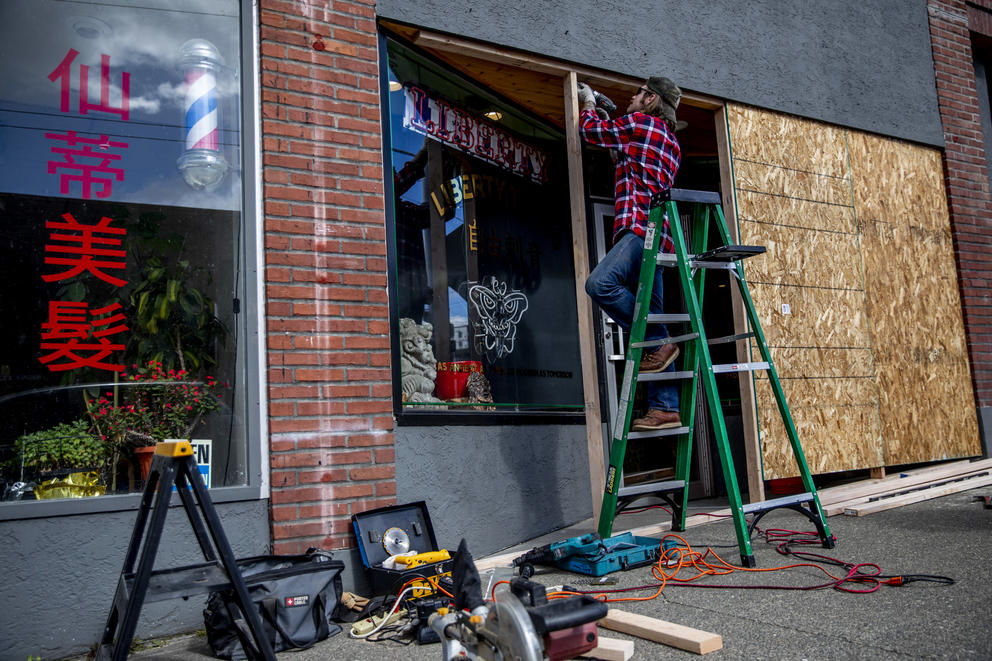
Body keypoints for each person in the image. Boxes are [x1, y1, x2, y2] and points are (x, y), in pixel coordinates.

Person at [578, 77, 683, 431]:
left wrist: (590, 107)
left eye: (637, 94)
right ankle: (666, 407)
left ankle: (659, 342)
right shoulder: (669, 140)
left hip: (639, 231)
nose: (631, 98)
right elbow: (621, 151)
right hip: (661, 241)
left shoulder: (639, 124)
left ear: (651, 99)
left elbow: (592, 133)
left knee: (599, 284)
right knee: (652, 313)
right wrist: (613, 114)